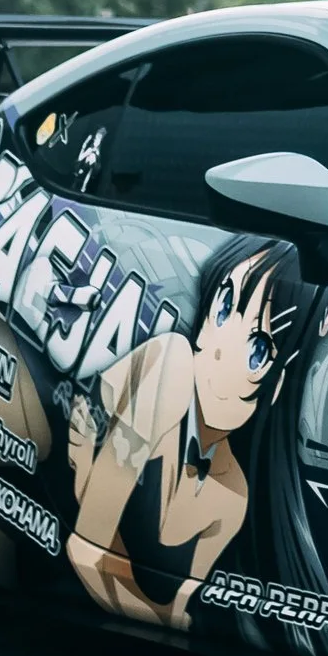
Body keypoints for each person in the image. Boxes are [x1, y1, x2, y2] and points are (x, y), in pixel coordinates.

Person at [65, 232, 307, 630]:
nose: (217, 348)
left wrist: (87, 484)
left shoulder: (232, 497)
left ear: (276, 385)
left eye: (257, 349)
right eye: (225, 306)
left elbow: (177, 616)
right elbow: (86, 549)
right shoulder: (173, 363)